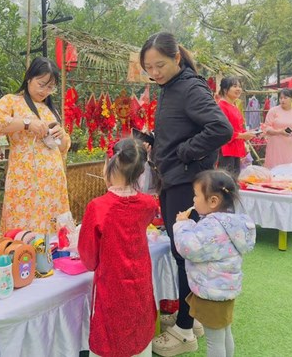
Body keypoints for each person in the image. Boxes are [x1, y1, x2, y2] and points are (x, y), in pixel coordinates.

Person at [139, 32, 233, 356]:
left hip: (186, 182)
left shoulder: (190, 87)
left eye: (160, 65)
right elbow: (183, 128)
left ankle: (183, 330)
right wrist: (158, 143)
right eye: (149, 68)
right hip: (173, 178)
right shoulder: (170, 87)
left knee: (185, 254)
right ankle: (191, 317)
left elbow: (221, 128)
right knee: (182, 253)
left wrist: (184, 152)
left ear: (176, 58)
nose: (155, 72)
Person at [78, 138, 160, 357]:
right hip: (140, 281)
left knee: (110, 338)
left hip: (111, 286)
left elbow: (88, 259)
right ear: (139, 172)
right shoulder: (148, 204)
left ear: (109, 164)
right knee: (139, 331)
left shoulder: (98, 207)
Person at [174, 170, 256, 357]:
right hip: (224, 290)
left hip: (211, 293)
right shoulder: (229, 223)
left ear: (213, 201)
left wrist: (182, 224)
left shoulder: (212, 226)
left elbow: (189, 247)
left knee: (214, 341)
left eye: (196, 195)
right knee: (224, 333)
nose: (193, 200)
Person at [0, 57, 71, 235]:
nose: (44, 91)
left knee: (52, 234)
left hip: (53, 185)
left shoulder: (51, 110)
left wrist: (62, 136)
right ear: (29, 78)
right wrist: (27, 123)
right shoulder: (12, 101)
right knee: (24, 232)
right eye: (41, 84)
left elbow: (63, 148)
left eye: (50, 87)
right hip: (25, 184)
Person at [217, 77, 258, 178]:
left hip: (236, 149)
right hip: (226, 150)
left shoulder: (233, 106)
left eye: (239, 86)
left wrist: (249, 133)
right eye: (235, 86)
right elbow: (222, 131)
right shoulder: (221, 106)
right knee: (227, 180)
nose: (238, 89)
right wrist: (242, 135)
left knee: (235, 179)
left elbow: (238, 127)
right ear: (225, 90)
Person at [263, 88, 292, 169]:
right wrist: (279, 132)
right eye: (281, 98)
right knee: (274, 169)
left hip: (289, 146)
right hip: (275, 146)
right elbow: (266, 128)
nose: (282, 100)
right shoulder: (273, 111)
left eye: (285, 98)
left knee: (289, 170)